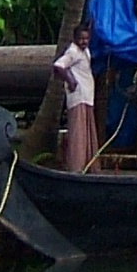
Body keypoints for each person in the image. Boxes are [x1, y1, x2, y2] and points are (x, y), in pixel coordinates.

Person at [53, 22, 98, 172]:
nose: (83, 42)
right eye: (81, 39)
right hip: (78, 96)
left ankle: (88, 165)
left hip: (87, 96)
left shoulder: (84, 51)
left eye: (86, 39)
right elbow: (58, 66)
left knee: (86, 132)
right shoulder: (72, 51)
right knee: (78, 132)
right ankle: (76, 167)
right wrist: (71, 81)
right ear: (74, 38)